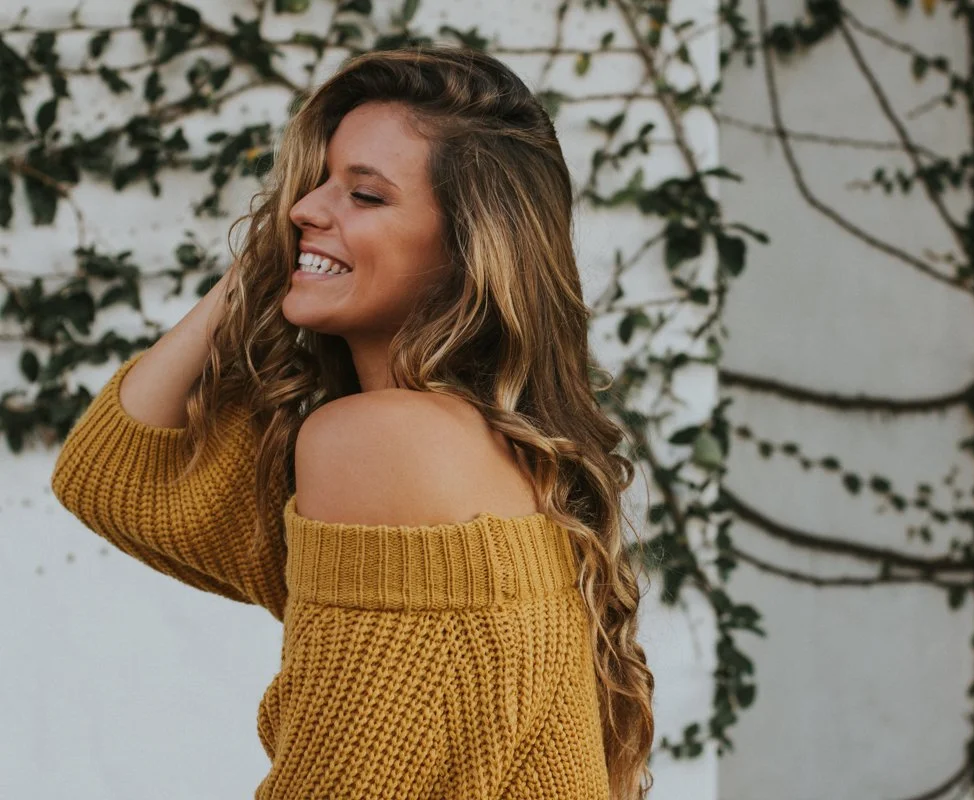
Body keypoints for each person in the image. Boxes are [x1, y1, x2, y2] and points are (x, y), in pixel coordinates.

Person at [50, 45, 655, 800]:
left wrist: (282, 265)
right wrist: (271, 263)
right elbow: (111, 479)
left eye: (365, 196)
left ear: (469, 249)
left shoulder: (386, 443)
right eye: (316, 182)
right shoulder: (477, 450)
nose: (303, 209)